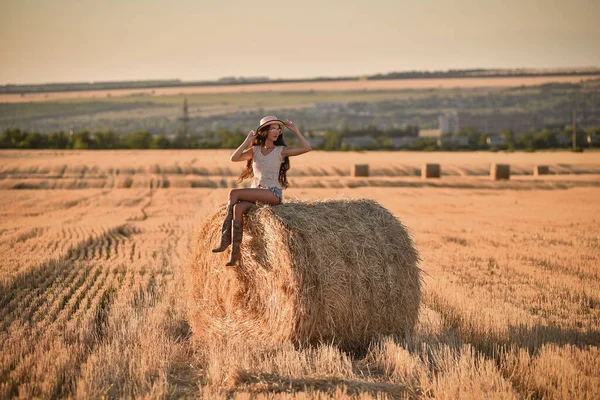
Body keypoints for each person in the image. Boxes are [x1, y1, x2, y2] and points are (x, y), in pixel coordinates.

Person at [212, 115, 312, 266]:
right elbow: (234, 158)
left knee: (234, 193)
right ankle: (235, 253)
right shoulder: (255, 150)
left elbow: (307, 148)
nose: (277, 131)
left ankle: (225, 238)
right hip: (257, 193)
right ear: (264, 131)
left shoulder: (281, 151)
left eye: (279, 129)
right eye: (273, 128)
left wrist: (295, 130)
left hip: (272, 193)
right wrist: (247, 141)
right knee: (238, 208)